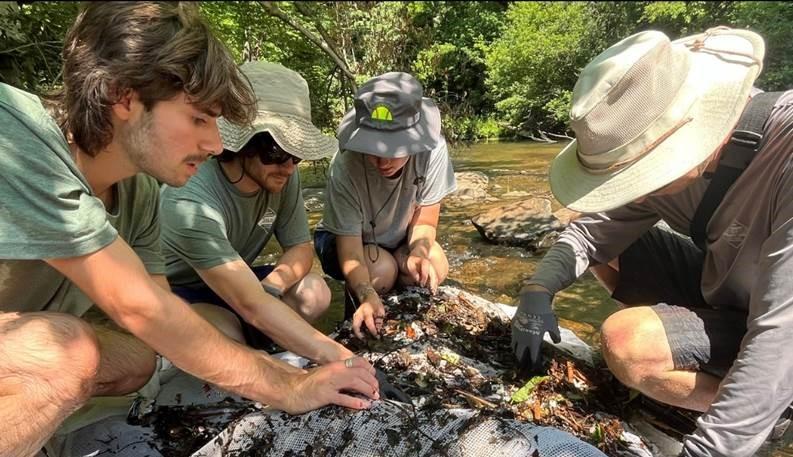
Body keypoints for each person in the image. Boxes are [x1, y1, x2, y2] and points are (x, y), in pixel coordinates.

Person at [0, 4, 378, 456]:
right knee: (69, 351)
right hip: (34, 338)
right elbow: (144, 308)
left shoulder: (136, 191)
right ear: (125, 97)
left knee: (137, 358)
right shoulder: (19, 138)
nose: (216, 144)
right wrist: (286, 385)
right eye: (199, 119)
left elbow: (155, 320)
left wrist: (298, 361)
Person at [510, 27, 793, 456]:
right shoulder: (684, 161)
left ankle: (771, 415)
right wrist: (537, 289)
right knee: (615, 247)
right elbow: (591, 230)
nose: (632, 190)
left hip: (782, 325)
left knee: (628, 343)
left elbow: (781, 332)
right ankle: (708, 383)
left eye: (639, 173)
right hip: (735, 291)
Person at [160, 61, 357, 364]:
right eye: (276, 153)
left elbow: (300, 249)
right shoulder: (190, 199)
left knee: (315, 292)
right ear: (243, 147)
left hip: (242, 283)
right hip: (181, 291)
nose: (289, 167)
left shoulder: (281, 176)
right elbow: (248, 302)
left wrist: (272, 287)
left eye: (296, 155)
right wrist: (339, 360)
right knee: (225, 335)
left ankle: (272, 350)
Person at [314, 72, 457, 339]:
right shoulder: (345, 165)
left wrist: (418, 251)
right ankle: (359, 319)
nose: (383, 161)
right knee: (380, 271)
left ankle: (404, 327)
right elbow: (352, 252)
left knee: (432, 263)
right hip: (346, 242)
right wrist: (366, 292)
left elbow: (425, 222)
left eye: (395, 149)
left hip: (400, 234)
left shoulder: (433, 149)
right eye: (374, 149)